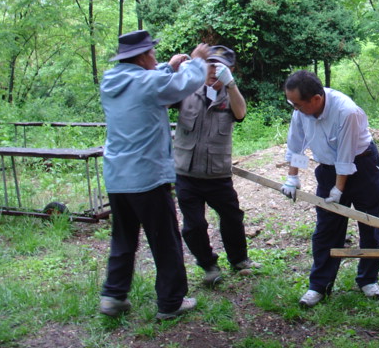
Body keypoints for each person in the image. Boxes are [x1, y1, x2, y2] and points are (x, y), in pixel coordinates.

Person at [98, 29, 210, 320]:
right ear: (142, 57)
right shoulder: (148, 83)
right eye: (153, 53)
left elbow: (148, 81)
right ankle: (171, 302)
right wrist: (197, 61)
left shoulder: (111, 81)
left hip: (117, 176)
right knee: (165, 240)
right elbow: (184, 84)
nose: (155, 56)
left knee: (123, 237)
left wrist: (168, 67)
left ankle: (113, 295)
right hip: (147, 176)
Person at [280, 70, 379, 307]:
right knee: (327, 228)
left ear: (316, 99)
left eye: (297, 104)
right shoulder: (301, 111)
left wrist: (338, 191)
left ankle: (368, 279)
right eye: (292, 103)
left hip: (362, 166)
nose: (294, 108)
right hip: (328, 170)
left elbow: (345, 156)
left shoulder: (347, 112)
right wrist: (292, 177)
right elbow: (297, 144)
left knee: (370, 223)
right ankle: (319, 285)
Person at [173, 45, 261, 286]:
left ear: (230, 70)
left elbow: (240, 113)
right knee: (194, 225)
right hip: (187, 173)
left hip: (217, 174)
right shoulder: (188, 88)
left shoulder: (230, 95)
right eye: (209, 65)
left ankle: (239, 260)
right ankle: (208, 265)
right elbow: (164, 97)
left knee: (232, 217)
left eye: (220, 67)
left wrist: (231, 85)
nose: (213, 71)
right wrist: (182, 70)